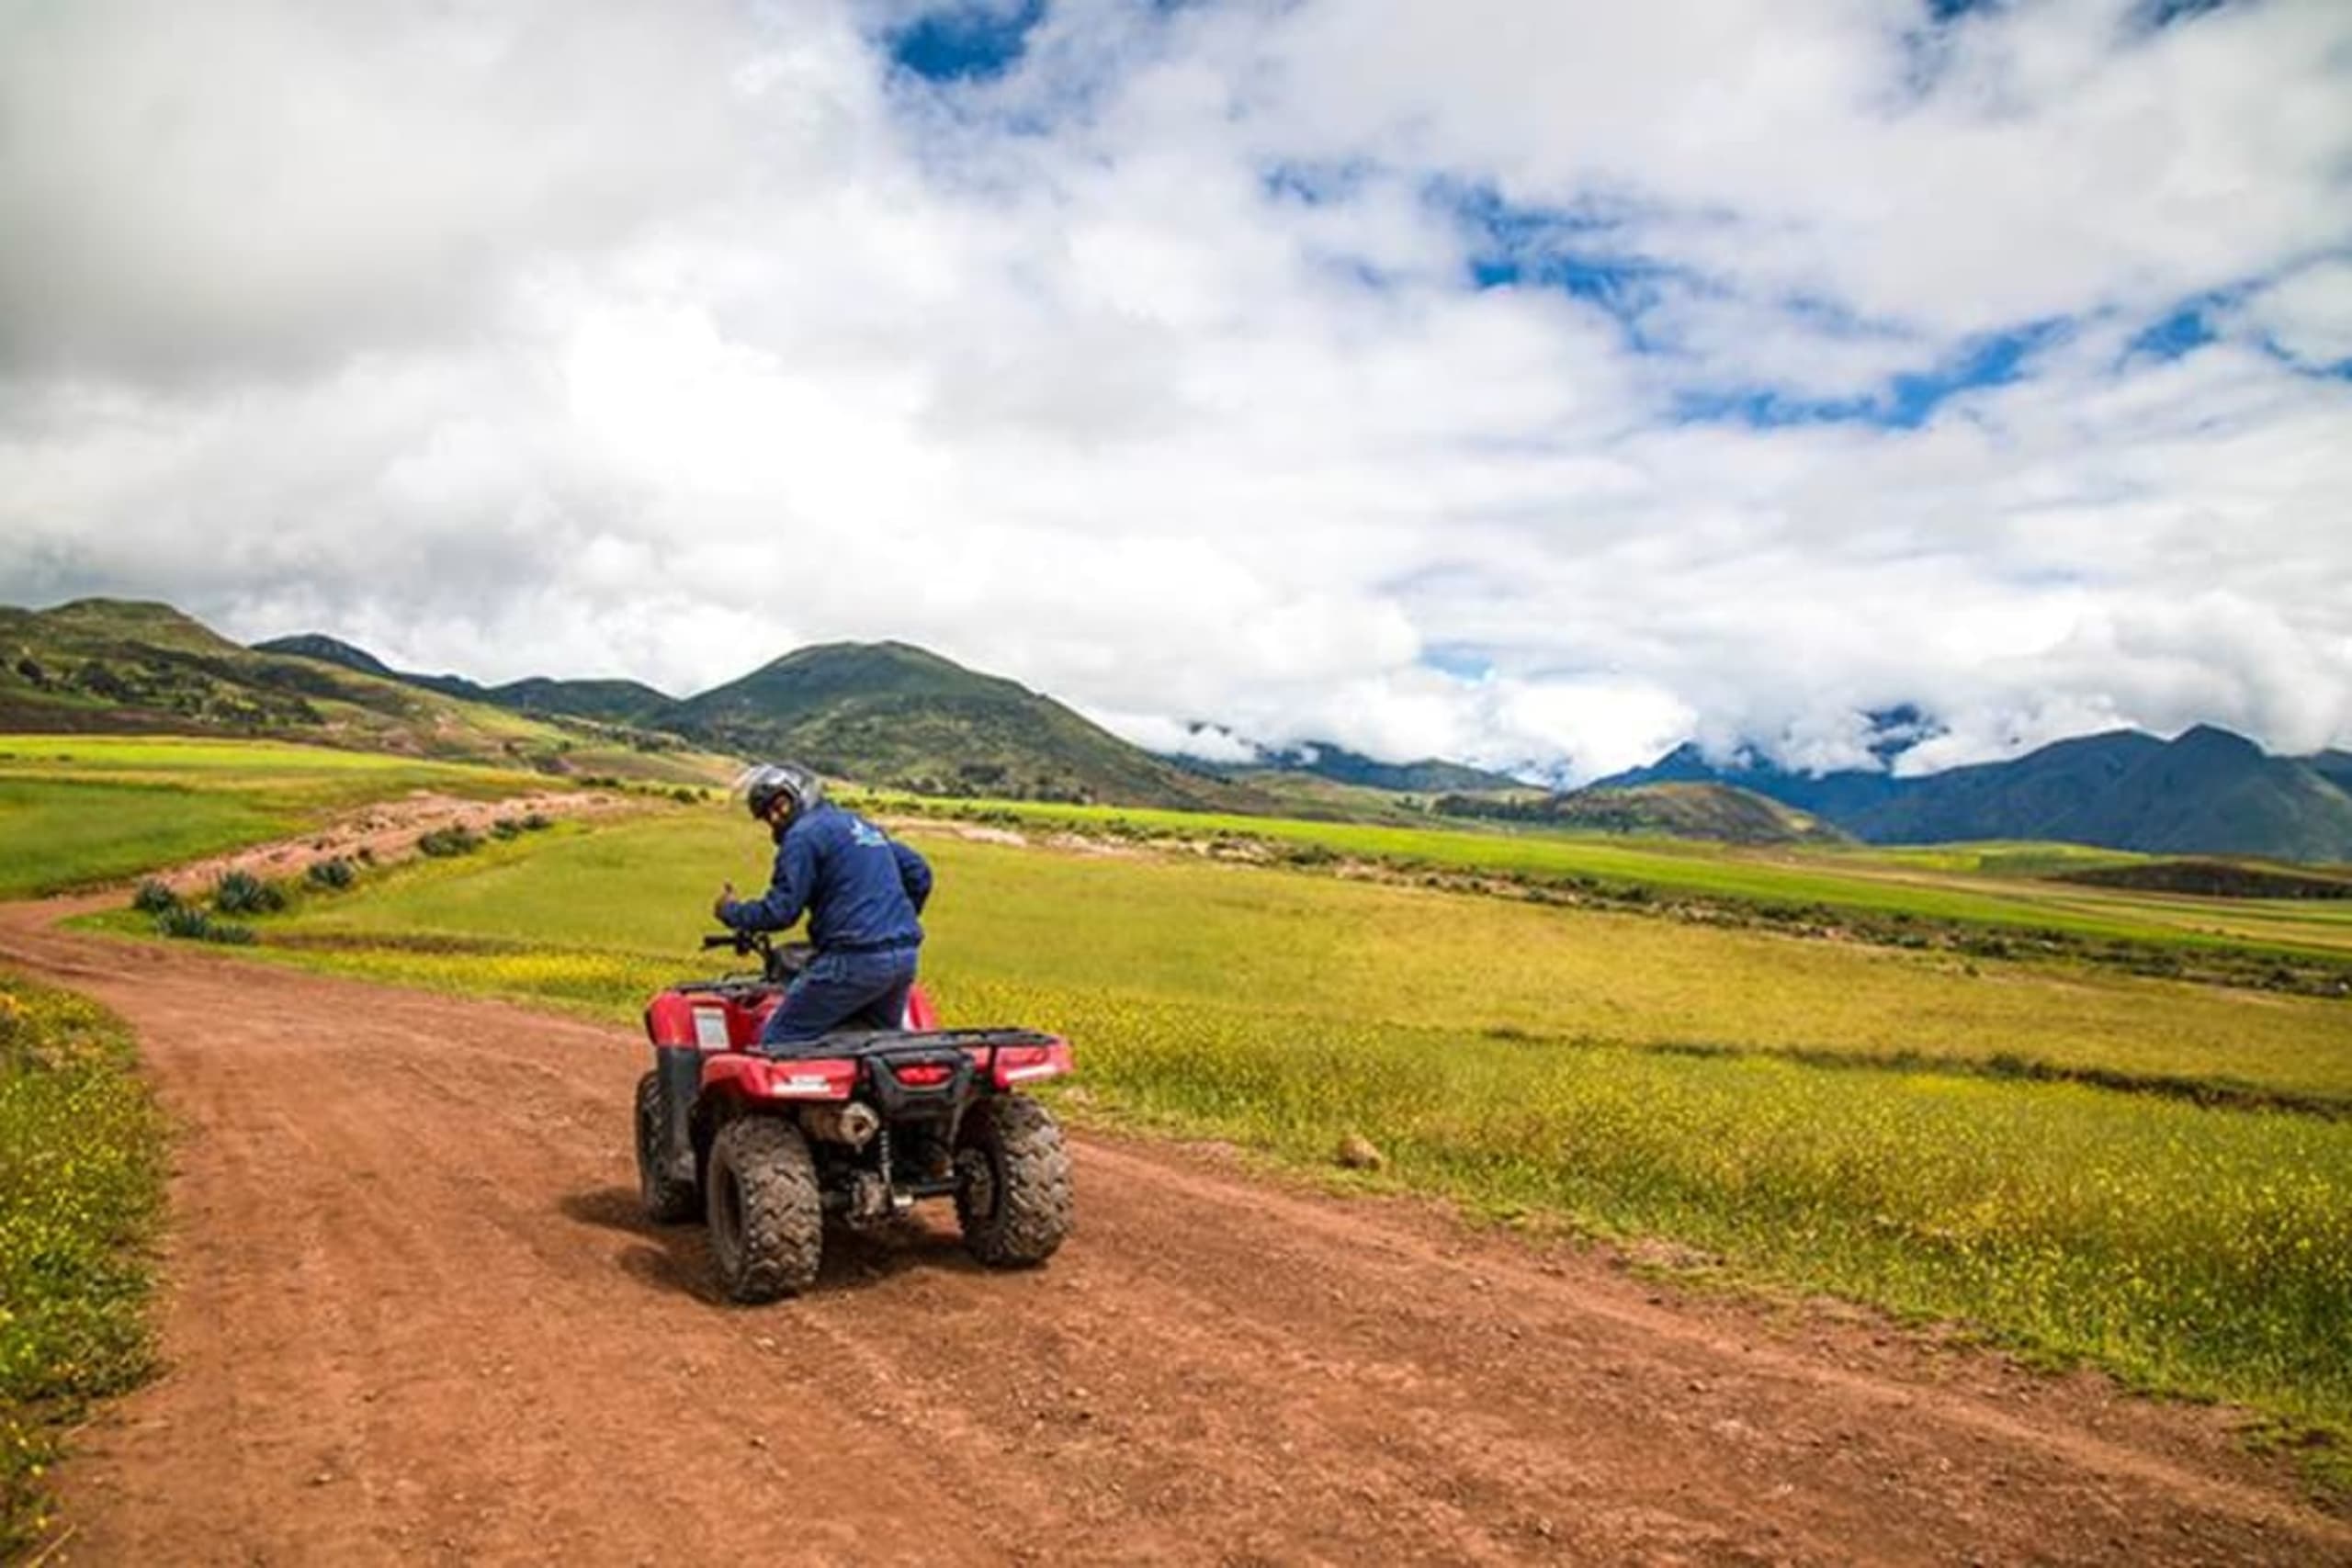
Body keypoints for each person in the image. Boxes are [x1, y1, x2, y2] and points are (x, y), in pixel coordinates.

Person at [713, 761, 933, 1048]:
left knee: (778, 1041)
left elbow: (781, 911)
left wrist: (730, 911)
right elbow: (918, 873)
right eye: (769, 814)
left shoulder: (802, 836)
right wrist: (891, 923)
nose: (777, 817)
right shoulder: (858, 824)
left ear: (798, 794)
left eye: (780, 806)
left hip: (853, 960)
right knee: (877, 1045)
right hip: (903, 957)